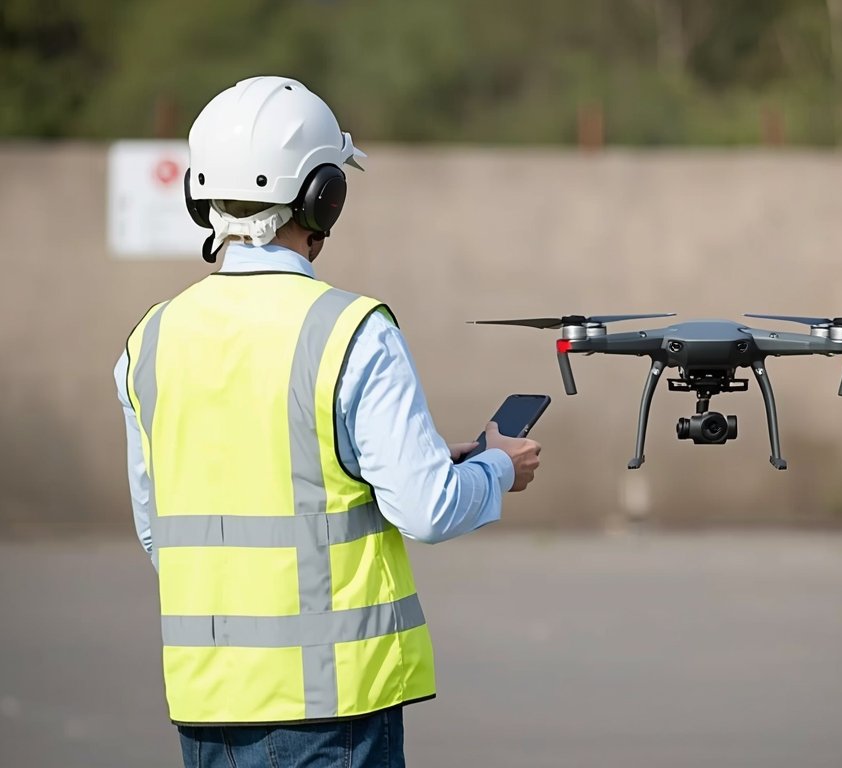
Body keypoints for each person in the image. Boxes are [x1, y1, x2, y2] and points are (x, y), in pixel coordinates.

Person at [113, 75, 542, 768]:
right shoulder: (350, 330)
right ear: (322, 197)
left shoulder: (151, 341)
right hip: (327, 715)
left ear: (202, 194)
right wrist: (498, 468)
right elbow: (428, 508)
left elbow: (160, 531)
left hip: (204, 709)